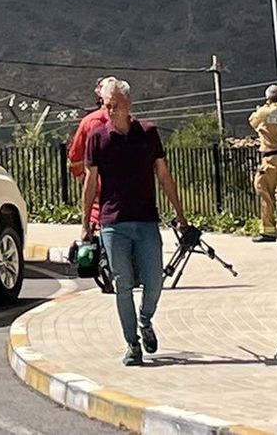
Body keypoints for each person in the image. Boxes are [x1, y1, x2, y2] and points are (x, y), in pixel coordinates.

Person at [80, 77, 188, 367]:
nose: (110, 111)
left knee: (154, 281)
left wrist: (180, 214)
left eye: (114, 105)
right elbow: (90, 183)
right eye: (106, 106)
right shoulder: (97, 137)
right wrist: (85, 225)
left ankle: (145, 319)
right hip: (113, 222)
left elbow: (164, 176)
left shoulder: (148, 133)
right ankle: (132, 344)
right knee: (122, 283)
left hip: (146, 220)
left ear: (128, 104)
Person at [248, 84, 277, 243]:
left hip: (270, 157)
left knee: (264, 191)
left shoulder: (264, 111)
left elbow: (252, 121)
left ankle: (269, 230)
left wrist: (264, 107)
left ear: (267, 97)